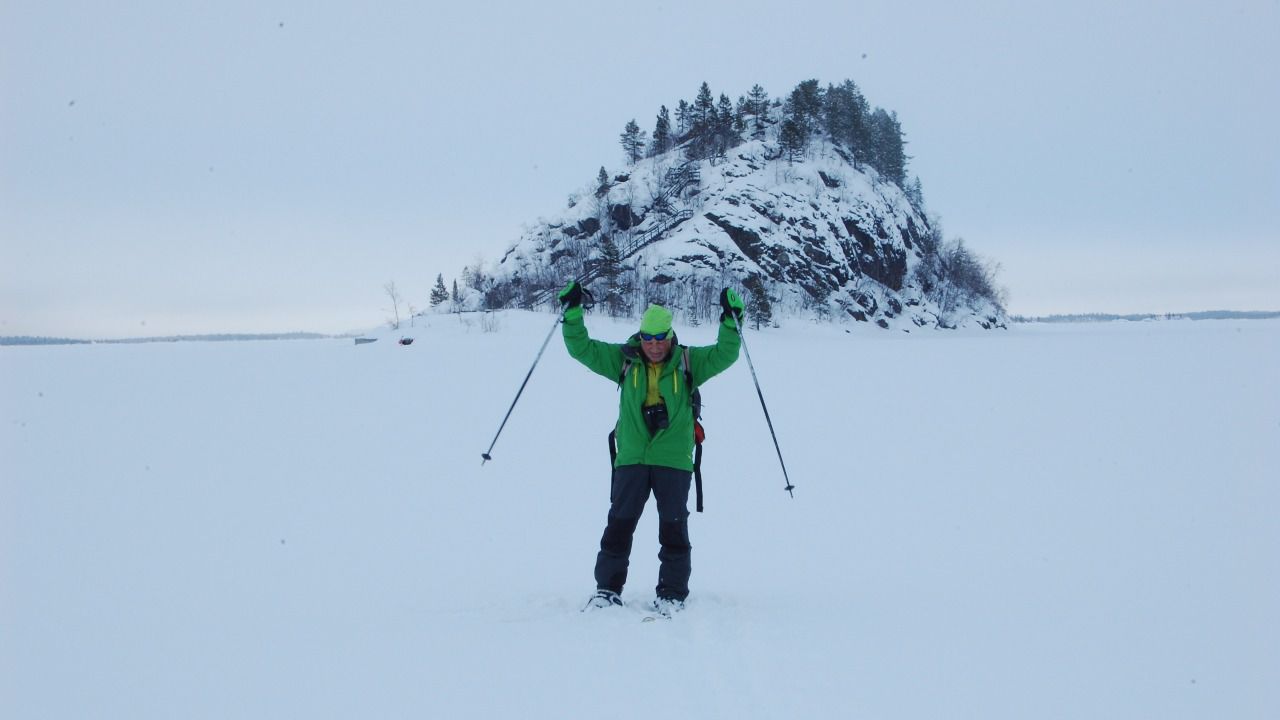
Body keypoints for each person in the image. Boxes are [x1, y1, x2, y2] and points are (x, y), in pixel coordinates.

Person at [558, 280, 745, 615]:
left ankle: (672, 594)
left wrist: (731, 322)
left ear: (671, 336)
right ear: (640, 337)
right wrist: (572, 314)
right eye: (648, 338)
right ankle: (607, 591)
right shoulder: (623, 360)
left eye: (661, 338)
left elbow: (725, 353)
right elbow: (582, 349)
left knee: (673, 528)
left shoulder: (690, 362)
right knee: (619, 525)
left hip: (673, 460)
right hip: (632, 458)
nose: (655, 346)